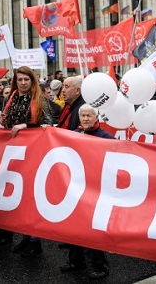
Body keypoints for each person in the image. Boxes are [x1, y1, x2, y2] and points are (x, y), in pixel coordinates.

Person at [1, 66, 52, 257]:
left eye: (26, 80)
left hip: (34, 154)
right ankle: (25, 236)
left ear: (32, 81)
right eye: (20, 79)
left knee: (32, 196)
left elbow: (48, 124)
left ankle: (35, 240)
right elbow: (5, 121)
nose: (23, 83)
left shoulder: (39, 100)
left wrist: (26, 125)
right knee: (20, 197)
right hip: (15, 154)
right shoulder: (10, 98)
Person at [60, 104, 113, 280]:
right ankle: (76, 261)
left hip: (96, 191)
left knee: (93, 229)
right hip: (77, 188)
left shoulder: (106, 138)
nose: (85, 118)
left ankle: (100, 266)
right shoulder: (73, 134)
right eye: (82, 115)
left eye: (89, 115)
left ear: (97, 117)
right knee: (74, 226)